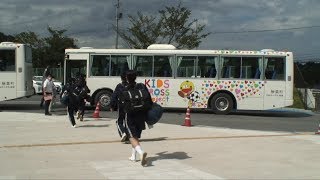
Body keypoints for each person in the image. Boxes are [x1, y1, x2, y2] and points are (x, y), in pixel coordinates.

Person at [123, 70, 152, 166]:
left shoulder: (124, 88)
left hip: (130, 115)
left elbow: (120, 103)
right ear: (135, 77)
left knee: (131, 136)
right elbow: (149, 100)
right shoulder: (142, 86)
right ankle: (133, 156)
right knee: (135, 136)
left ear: (126, 78)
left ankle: (141, 152)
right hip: (141, 114)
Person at [110, 73, 129, 142]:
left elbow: (114, 96)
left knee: (119, 121)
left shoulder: (119, 86)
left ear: (121, 78)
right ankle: (128, 137)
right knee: (127, 121)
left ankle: (123, 133)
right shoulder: (132, 85)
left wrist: (112, 106)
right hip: (130, 106)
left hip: (121, 105)